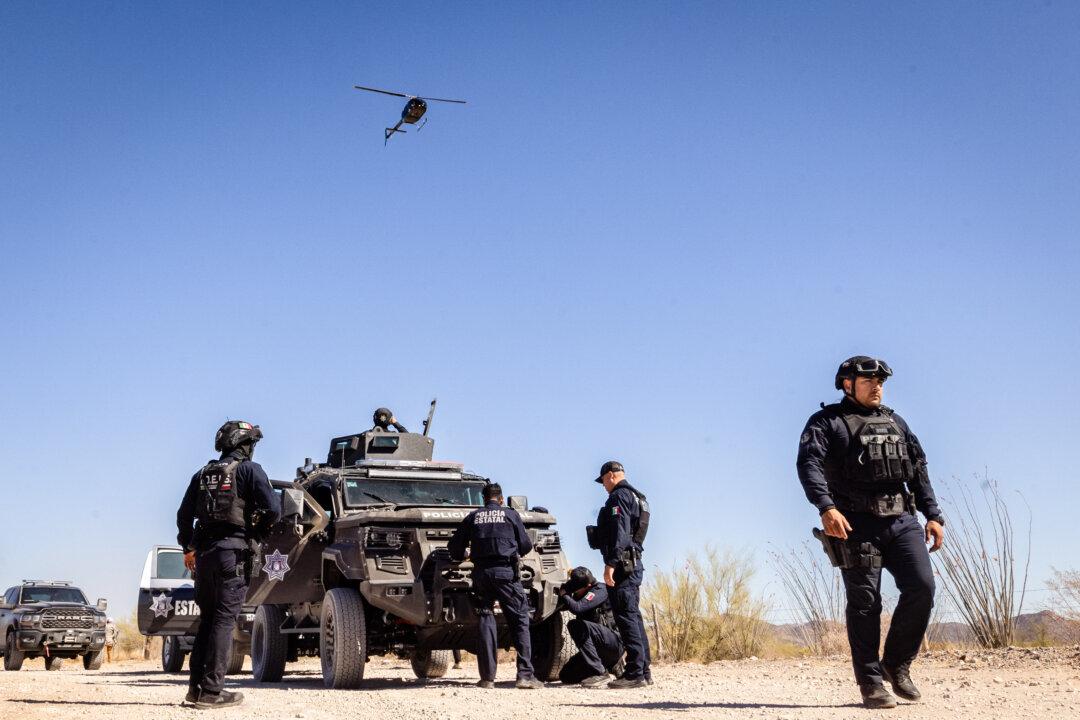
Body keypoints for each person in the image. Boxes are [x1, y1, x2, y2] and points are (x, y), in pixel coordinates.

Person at [797, 356, 945, 709]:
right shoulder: (827, 422)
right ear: (847, 384)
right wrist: (826, 506)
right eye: (868, 381)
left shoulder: (896, 422)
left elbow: (919, 469)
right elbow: (809, 464)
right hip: (855, 524)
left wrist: (933, 514)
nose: (877, 386)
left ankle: (896, 663)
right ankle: (871, 682)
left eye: (880, 381)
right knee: (865, 603)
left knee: (922, 586)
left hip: (901, 520)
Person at [176, 420, 279, 709]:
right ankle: (212, 693)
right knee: (223, 621)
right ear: (245, 445)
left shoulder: (201, 474)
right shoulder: (249, 470)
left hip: (205, 557)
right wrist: (257, 534)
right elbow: (273, 509)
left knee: (207, 621)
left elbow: (183, 516)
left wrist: (188, 547)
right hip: (232, 555)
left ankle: (195, 691)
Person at [447, 483, 543, 690]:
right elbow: (525, 546)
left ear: (484, 499)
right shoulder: (510, 515)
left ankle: (487, 678)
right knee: (519, 621)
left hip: (482, 575)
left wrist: (466, 554)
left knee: (485, 620)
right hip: (506, 574)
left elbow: (454, 549)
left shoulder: (474, 517)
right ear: (501, 499)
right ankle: (525, 675)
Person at [592, 461, 652, 688]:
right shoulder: (640, 497)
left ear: (610, 476)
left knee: (626, 619)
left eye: (603, 482)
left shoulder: (619, 497)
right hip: (634, 563)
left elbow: (620, 532)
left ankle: (635, 673)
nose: (604, 486)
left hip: (623, 566)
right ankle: (644, 671)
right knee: (634, 617)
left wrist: (611, 563)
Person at [556, 566, 623, 686]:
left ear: (588, 586)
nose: (574, 592)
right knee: (566, 676)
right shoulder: (582, 593)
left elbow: (578, 608)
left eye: (576, 589)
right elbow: (568, 605)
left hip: (613, 642)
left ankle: (600, 673)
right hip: (599, 650)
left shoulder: (600, 590)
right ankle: (610, 665)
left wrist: (564, 594)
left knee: (575, 625)